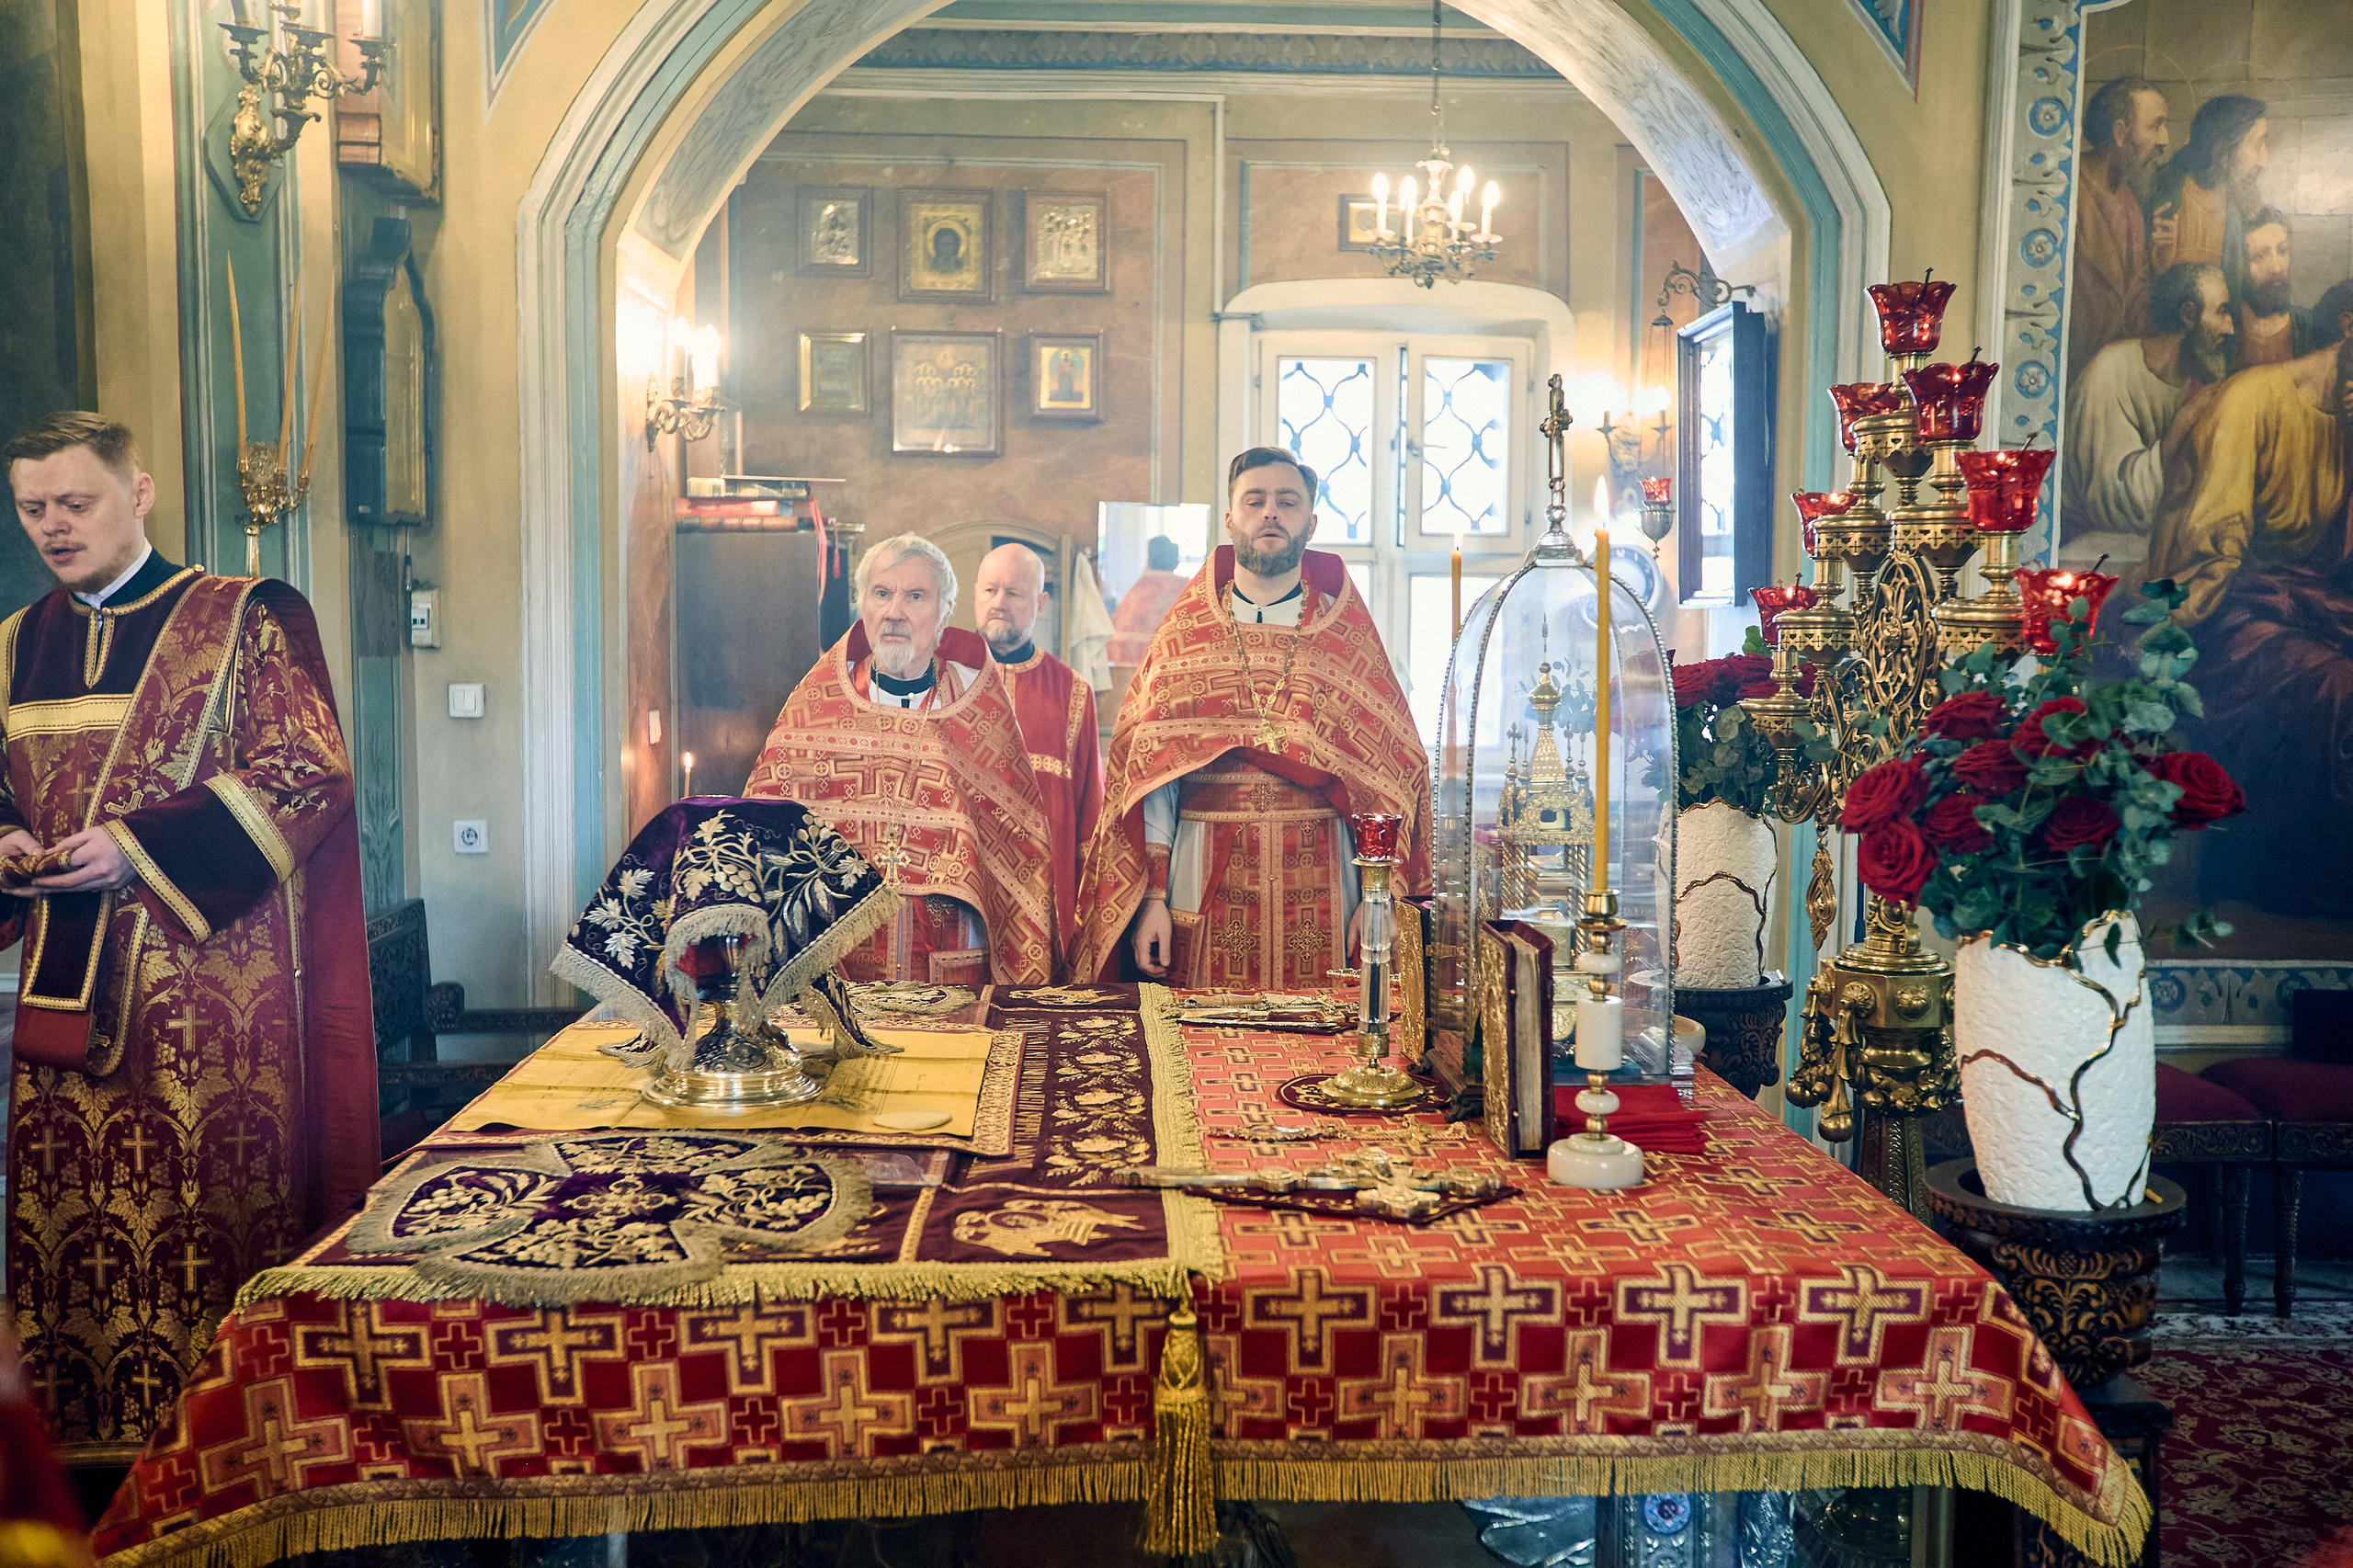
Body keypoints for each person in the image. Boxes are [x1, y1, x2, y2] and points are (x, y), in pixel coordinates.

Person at [0, 412, 377, 1460]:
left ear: (141, 491)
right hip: (64, 1007)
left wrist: (133, 846)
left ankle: (226, 1453)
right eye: (34, 508)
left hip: (209, 1012)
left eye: (76, 502)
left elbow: (310, 772)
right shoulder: (14, 643)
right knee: (67, 1236)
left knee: (196, 1237)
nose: (53, 527)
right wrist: (10, 838)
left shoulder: (240, 618)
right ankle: (83, 1472)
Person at [1072, 448, 1429, 988]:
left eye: (1287, 503)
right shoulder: (1184, 638)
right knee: (1198, 1051)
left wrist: (1380, 897)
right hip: (1202, 875)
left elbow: (1391, 778)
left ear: (1310, 523)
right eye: (1255, 500)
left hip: (1328, 884)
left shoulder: (1344, 638)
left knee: (1324, 1050)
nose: (1270, 513)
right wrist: (1152, 900)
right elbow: (1149, 783)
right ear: (1230, 519)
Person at [745, 532, 1053, 983]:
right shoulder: (818, 703)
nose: (894, 612)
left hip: (950, 956)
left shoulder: (977, 704)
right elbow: (767, 826)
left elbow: (1018, 842)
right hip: (839, 954)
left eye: (915, 596)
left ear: (945, 611)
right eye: (882, 594)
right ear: (862, 605)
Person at [2142, 284, 2353, 916]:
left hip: (2324, 609)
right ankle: (2297, 878)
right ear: (2347, 324)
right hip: (2236, 613)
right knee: (2339, 691)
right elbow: (2208, 550)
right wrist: (2160, 652)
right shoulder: (2252, 400)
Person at [973, 541, 1102, 960]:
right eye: (990, 590)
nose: (999, 603)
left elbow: (1090, 813)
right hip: (965, 896)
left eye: (1014, 593)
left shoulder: (1072, 692)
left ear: (1040, 603)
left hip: (1042, 904)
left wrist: (1086, 911)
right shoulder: (942, 680)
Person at [2060, 263, 2231, 574]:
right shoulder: (2110, 372)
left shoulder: (2202, 378)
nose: (2230, 329)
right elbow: (2118, 504)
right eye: (2221, 312)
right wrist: (2183, 423)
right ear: (2188, 315)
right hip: (2099, 555)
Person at [2070, 76, 2169, 375]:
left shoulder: (2128, 203)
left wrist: (2159, 268)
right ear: (2120, 133)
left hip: (2108, 376)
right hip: (2069, 374)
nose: (2164, 140)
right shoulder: (2070, 191)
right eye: (2155, 126)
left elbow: (2135, 317)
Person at [2149, 95, 2269, 301]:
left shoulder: (2238, 205)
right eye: (2257, 145)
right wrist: (2159, 265)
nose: (2264, 162)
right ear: (2223, 149)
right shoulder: (2163, 192)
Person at [2231, 209, 2313, 369]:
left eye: (2282, 251)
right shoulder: (2222, 335)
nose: (2276, 268)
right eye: (2259, 256)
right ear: (2239, 266)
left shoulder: (2311, 330)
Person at [1106, 533, 1188, 666]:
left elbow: (1118, 635)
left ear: (1149, 560)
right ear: (1175, 562)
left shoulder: (1140, 591)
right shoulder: (1188, 590)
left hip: (1138, 669)